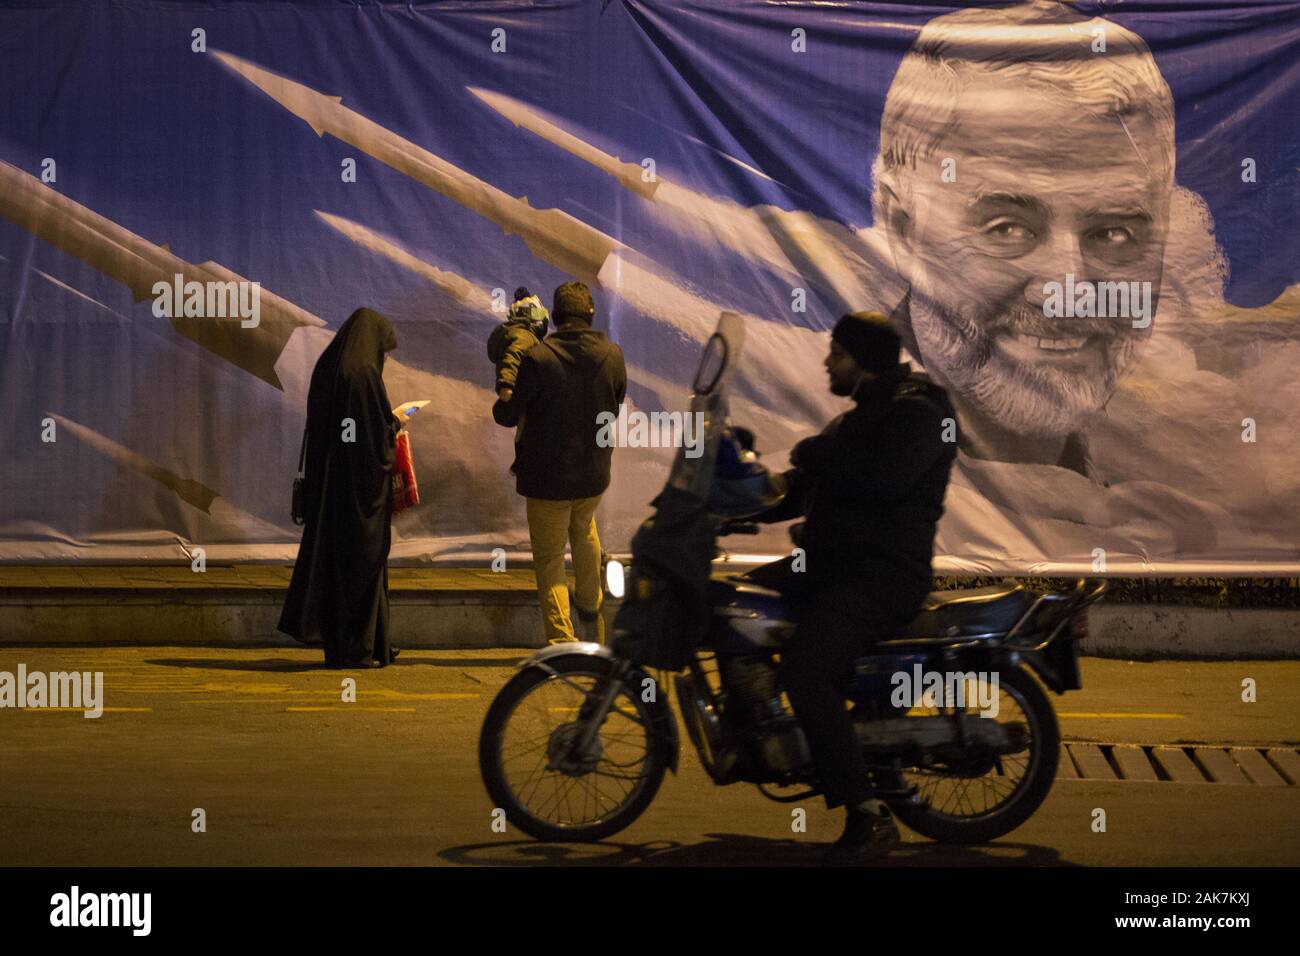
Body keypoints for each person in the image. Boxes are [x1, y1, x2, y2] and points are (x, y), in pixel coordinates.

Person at [871, 0, 1175, 469]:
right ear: (903, 227)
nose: (1067, 291)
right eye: (1007, 228)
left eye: (1113, 233)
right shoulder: (845, 436)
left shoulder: (1160, 482)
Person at [752, 310, 956, 863]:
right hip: (833, 566)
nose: (827, 361)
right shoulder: (865, 415)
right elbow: (808, 485)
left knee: (806, 669)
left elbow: (877, 480)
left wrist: (810, 455)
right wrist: (733, 498)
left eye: (836, 352)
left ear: (862, 361)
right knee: (743, 598)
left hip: (880, 576)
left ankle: (867, 814)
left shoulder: (919, 412)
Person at [493, 281, 626, 644]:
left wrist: (503, 397)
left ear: (555, 316)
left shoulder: (538, 357)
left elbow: (509, 414)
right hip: (593, 475)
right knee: (584, 533)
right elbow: (615, 405)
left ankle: (561, 642)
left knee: (550, 557)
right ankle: (591, 614)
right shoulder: (613, 355)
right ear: (590, 313)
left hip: (547, 479)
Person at [279, 307, 402, 668]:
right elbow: (366, 442)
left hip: (329, 489)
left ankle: (361, 644)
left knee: (334, 566)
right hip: (357, 495)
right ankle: (357, 648)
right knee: (362, 565)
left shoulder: (330, 365)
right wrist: (392, 428)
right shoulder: (362, 374)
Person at [487, 286, 550, 402]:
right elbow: (512, 356)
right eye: (540, 317)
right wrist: (506, 385)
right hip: (517, 394)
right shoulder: (524, 336)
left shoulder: (528, 336)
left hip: (520, 393)